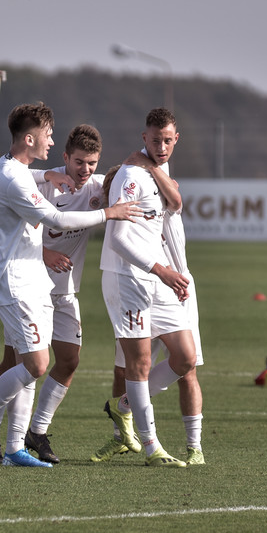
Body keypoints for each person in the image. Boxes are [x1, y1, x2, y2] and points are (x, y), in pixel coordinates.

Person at [0, 102, 141, 467]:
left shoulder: (17, 169)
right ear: (31, 138)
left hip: (36, 284)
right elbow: (54, 216)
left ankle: (15, 447)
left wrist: (46, 176)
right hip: (15, 281)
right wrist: (108, 212)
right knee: (34, 364)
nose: (52, 139)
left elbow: (30, 175)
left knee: (33, 363)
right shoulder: (13, 178)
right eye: (48, 135)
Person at [99, 106, 195, 467]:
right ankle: (153, 447)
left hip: (157, 277)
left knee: (184, 357)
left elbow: (176, 206)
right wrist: (163, 271)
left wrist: (168, 273)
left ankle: (124, 407)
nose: (162, 146)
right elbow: (119, 238)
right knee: (138, 363)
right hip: (127, 278)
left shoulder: (159, 172)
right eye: (155, 140)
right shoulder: (130, 175)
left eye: (168, 140)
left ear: (176, 139)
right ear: (144, 138)